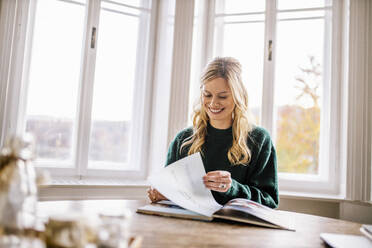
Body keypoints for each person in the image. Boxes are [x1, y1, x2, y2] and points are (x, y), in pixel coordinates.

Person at [147, 57, 279, 208]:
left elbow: (270, 201)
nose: (213, 103)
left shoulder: (259, 140)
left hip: (237, 229)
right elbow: (171, 192)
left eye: (222, 96)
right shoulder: (183, 140)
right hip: (188, 227)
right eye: (207, 95)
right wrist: (162, 194)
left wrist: (232, 188)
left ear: (238, 97)